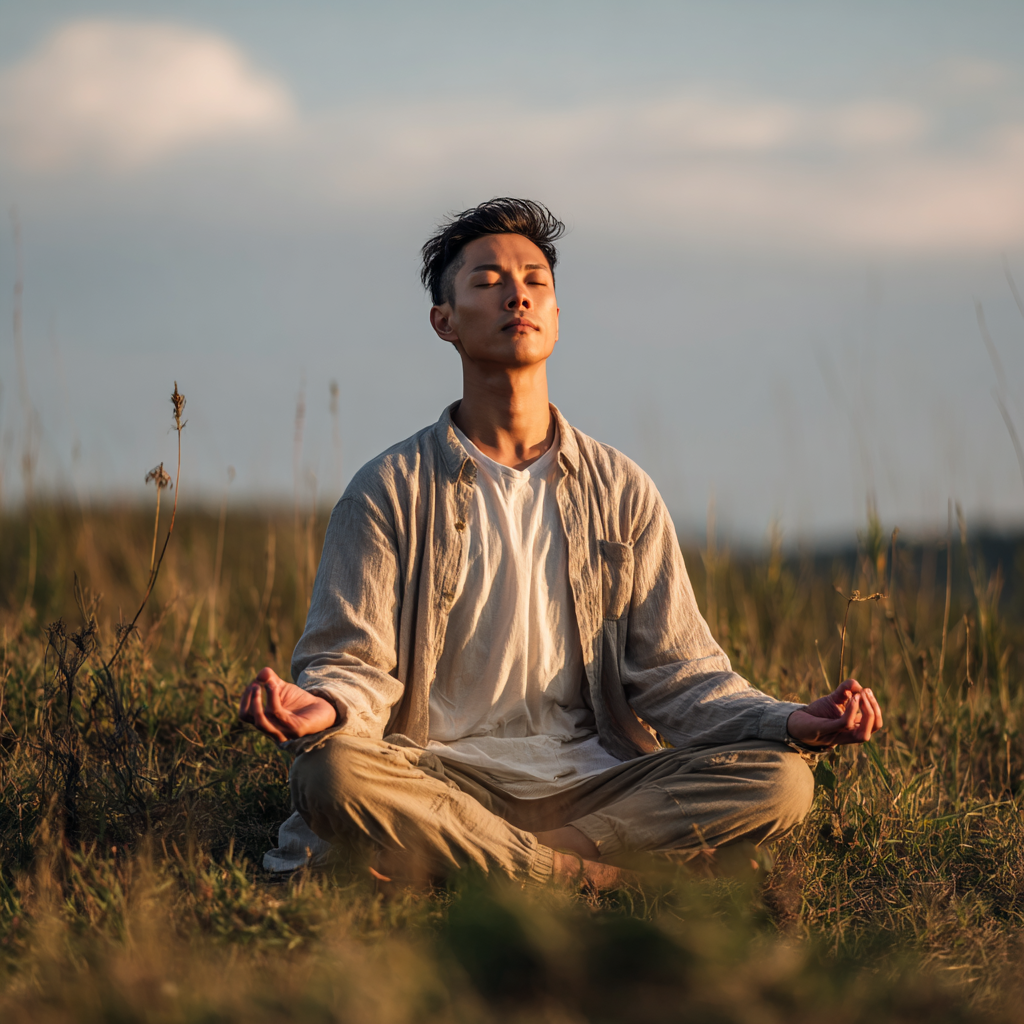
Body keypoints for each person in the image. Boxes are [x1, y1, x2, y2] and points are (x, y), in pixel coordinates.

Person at [239, 197, 883, 888]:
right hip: (441, 777)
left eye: (535, 279)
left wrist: (787, 722)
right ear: (444, 322)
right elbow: (352, 662)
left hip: (596, 781)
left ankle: (482, 866)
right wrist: (327, 705)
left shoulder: (621, 490)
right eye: (487, 280)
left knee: (782, 781)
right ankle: (605, 878)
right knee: (330, 771)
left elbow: (681, 678)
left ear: (554, 313)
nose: (517, 292)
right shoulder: (388, 489)